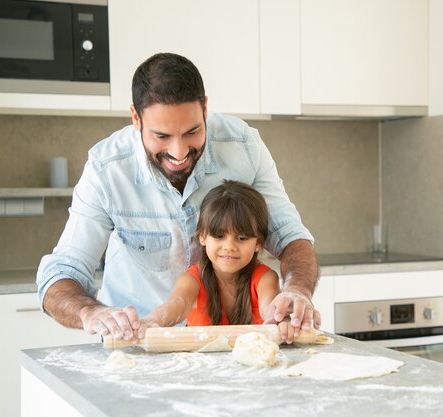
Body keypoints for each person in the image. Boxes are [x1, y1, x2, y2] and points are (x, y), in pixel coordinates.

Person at [37, 52, 320, 343]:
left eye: (192, 132)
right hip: (137, 345)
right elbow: (62, 270)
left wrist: (297, 290)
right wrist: (90, 312)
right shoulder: (106, 169)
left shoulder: (244, 147)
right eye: (162, 136)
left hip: (223, 348)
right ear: (136, 117)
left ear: (205, 108)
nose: (179, 152)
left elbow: (288, 235)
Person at [142, 180, 296, 342]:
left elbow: (270, 309)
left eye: (242, 238)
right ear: (202, 236)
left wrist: (280, 320)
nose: (229, 247)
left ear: (258, 243)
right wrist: (153, 320)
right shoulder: (191, 279)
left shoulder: (265, 278)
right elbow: (176, 305)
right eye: (219, 236)